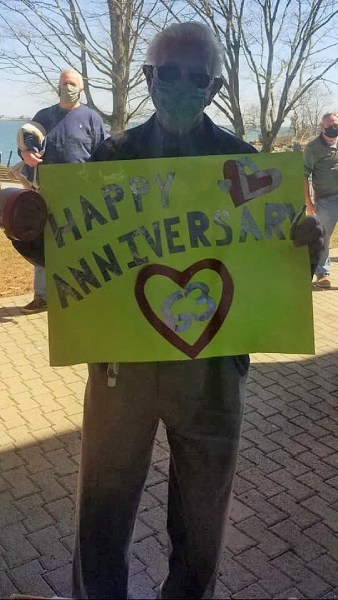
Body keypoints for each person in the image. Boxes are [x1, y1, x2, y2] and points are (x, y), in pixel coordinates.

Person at [69, 22, 323, 600]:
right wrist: (23, 222)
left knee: (203, 529)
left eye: (196, 77)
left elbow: (283, 263)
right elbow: (62, 246)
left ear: (214, 86)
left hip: (212, 374)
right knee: (101, 522)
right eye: (168, 74)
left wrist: (308, 245)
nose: (180, 87)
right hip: (119, 372)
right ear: (147, 77)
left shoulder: (245, 162)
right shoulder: (112, 156)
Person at [18, 68, 106, 314]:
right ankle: (42, 297)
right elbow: (26, 146)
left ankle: (85, 293)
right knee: (46, 241)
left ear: (81, 88)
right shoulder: (43, 116)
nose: (68, 87)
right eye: (65, 83)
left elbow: (103, 154)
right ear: (58, 86)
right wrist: (26, 155)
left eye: (73, 83)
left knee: (83, 243)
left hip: (83, 193)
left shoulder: (92, 118)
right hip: (47, 191)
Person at [304, 111, 338, 288]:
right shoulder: (312, 148)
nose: (333, 128)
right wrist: (308, 202)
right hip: (326, 201)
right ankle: (323, 274)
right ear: (322, 127)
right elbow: (304, 175)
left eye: (336, 125)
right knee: (323, 238)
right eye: (330, 125)